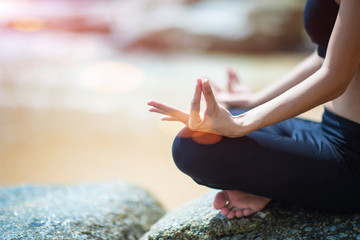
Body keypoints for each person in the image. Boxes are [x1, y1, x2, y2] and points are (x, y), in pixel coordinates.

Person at [148, 0, 360, 218]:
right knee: (212, 128)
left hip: (354, 157)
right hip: (330, 130)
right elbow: (326, 54)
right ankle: (279, 187)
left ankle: (282, 186)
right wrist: (253, 101)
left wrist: (241, 124)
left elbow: (336, 76)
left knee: (191, 149)